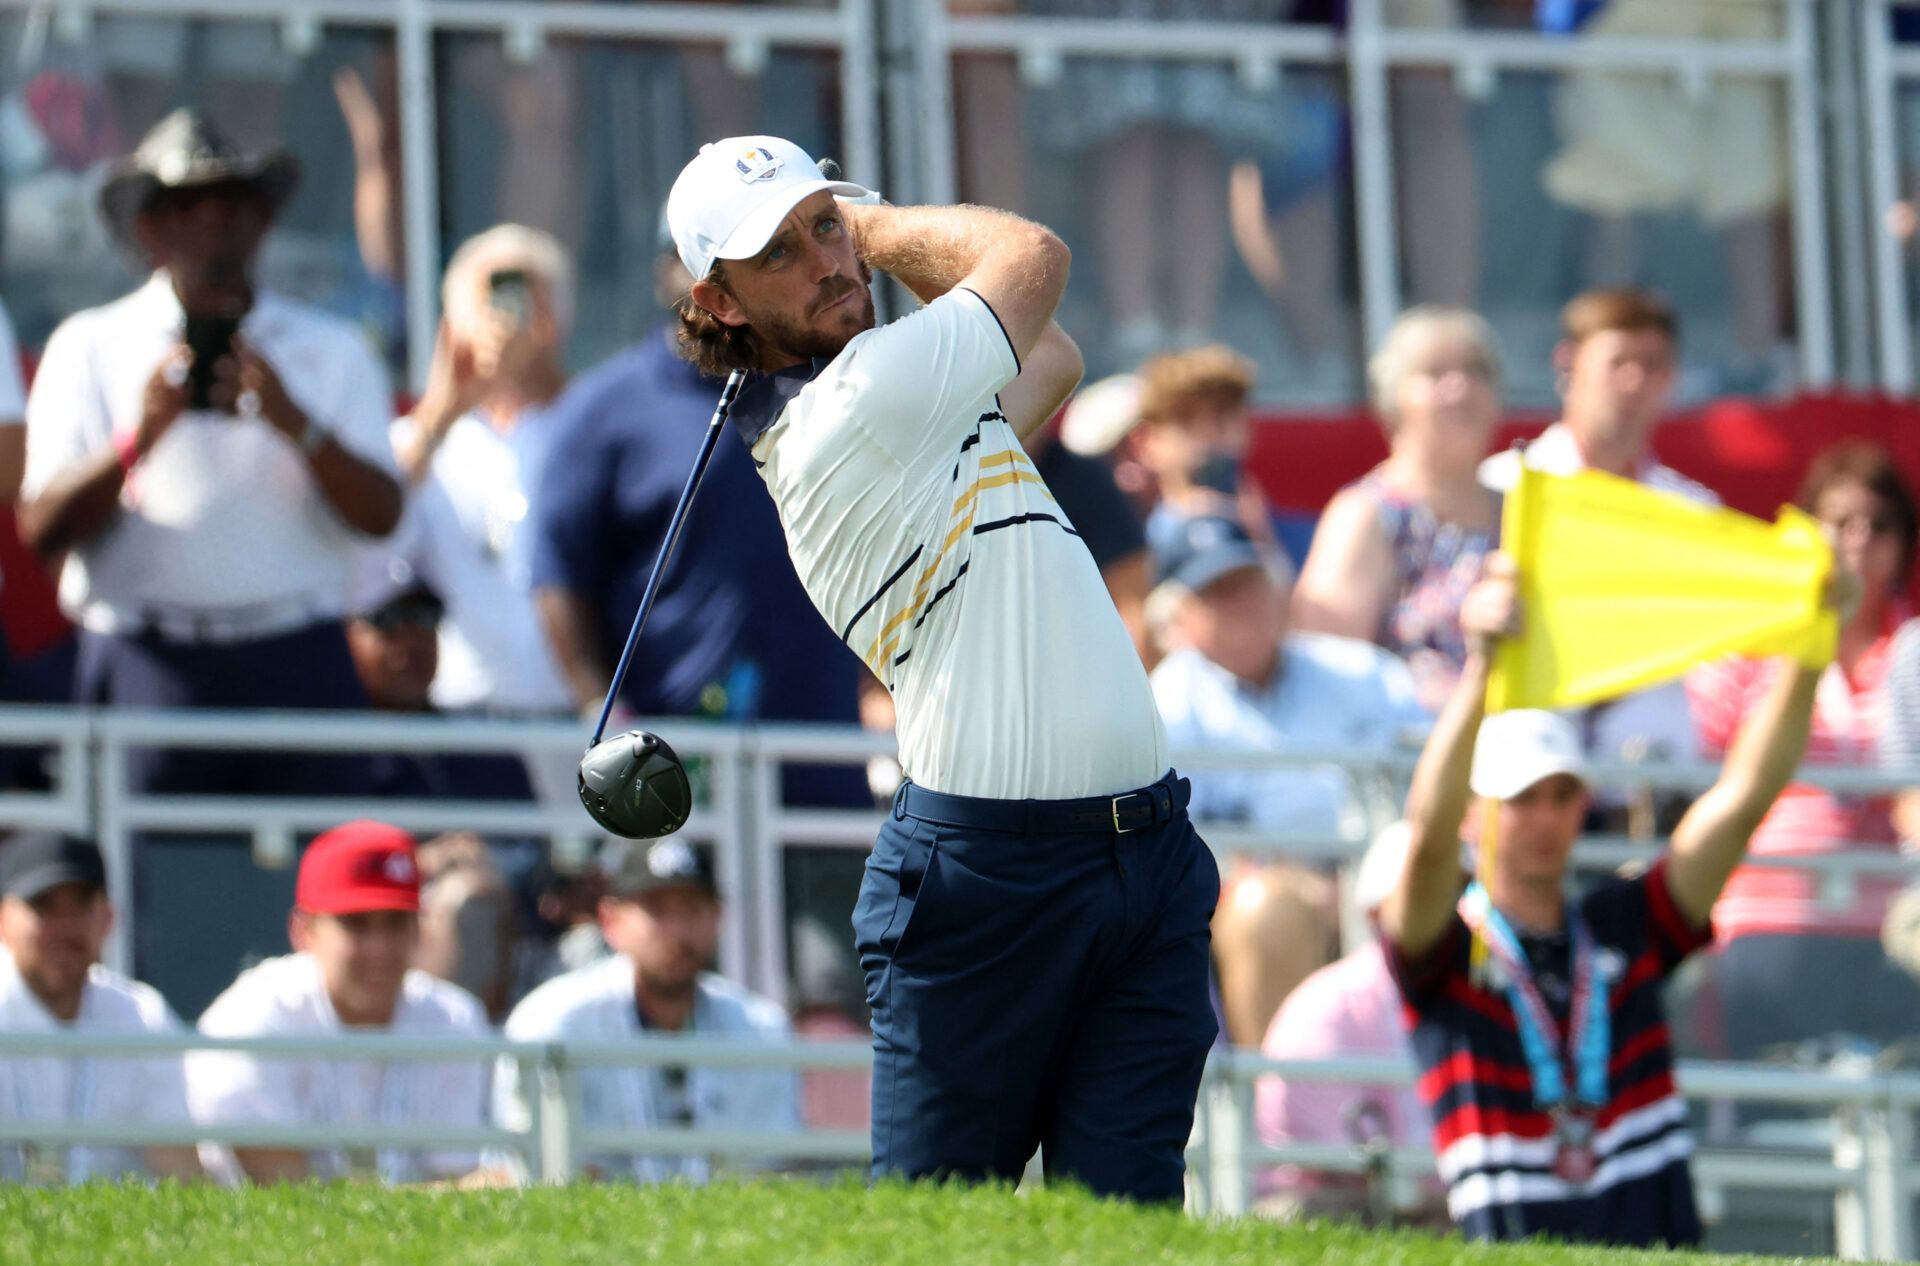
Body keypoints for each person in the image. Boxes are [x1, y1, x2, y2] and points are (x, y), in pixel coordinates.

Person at [666, 135, 1218, 1201]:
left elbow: (1053, 355)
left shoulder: (910, 401)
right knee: (939, 1228)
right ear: (721, 304)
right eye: (780, 252)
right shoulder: (862, 403)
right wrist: (867, 227)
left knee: (1127, 1227)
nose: (826, 262)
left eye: (823, 227)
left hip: (1143, 857)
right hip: (990, 878)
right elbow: (1033, 258)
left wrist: (842, 240)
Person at [1380, 553, 1848, 1246]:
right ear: (1475, 812)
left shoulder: (1624, 923)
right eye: (1521, 798)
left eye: (1563, 794)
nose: (1545, 817)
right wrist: (1482, 669)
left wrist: (1811, 650)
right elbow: (1427, 839)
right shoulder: (1446, 950)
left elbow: (1745, 798)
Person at [16, 109, 401, 797]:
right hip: (146, 663)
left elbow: (380, 516)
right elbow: (43, 529)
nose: (214, 219)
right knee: (147, 864)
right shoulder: (89, 347)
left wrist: (295, 424)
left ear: (263, 218)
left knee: (319, 862)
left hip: (298, 661)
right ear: (148, 227)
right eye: (186, 204)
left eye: (233, 200)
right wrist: (138, 438)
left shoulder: (332, 349)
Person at [529, 231, 865, 800]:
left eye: (752, 259)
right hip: (674, 764)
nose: (723, 281)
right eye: (702, 261)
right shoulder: (604, 408)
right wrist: (603, 711)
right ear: (666, 273)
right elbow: (560, 578)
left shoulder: (835, 386)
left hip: (824, 749)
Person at [1148, 511, 1428, 1047]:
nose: (1240, 603)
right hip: (1256, 901)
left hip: (1383, 878)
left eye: (1248, 582)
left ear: (1278, 588)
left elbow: (1433, 786)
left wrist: (1367, 881)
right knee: (1266, 910)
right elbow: (1172, 861)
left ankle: (1432, 1091)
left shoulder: (1365, 673)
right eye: (1216, 592)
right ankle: (1282, 1097)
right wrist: (1295, 885)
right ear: (1175, 618)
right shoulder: (1164, 704)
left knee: (1438, 892)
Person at [1687, 442, 1920, 1057]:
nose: (1860, 540)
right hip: (1766, 916)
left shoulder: (1914, 654)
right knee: (1767, 1104)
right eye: (1841, 522)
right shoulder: (1752, 643)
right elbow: (1697, 761)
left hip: (1895, 933)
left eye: (1881, 524)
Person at [1478, 288, 1714, 810]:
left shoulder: (1696, 514)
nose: (1634, 381)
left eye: (1652, 365)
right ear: (1568, 364)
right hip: (1521, 791)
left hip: (1652, 796)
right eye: (1618, 362)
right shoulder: (1498, 490)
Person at [187, 821, 495, 1186]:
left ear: (417, 928)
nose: (379, 948)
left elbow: (461, 1181)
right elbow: (285, 1192)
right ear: (303, 931)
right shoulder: (249, 1016)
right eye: (356, 924)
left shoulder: (453, 1018)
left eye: (395, 923)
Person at [495, 839, 799, 1183]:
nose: (677, 931)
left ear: (718, 917)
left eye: (692, 909)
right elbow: (534, 1174)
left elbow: (765, 1174)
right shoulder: (553, 1022)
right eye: (657, 910)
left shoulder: (761, 1028)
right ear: (610, 920)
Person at [391, 224, 572, 716]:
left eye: (521, 301)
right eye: (490, 302)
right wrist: (440, 412)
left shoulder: (595, 422)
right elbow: (371, 539)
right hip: (463, 716)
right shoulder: (422, 437)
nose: (506, 320)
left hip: (581, 713)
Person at [1292, 307, 1503, 713]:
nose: (1460, 387)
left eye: (1475, 370)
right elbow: (1327, 671)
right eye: (1435, 373)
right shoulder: (1367, 514)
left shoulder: (1519, 512)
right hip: (1409, 740)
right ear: (1394, 397)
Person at [1254, 822, 1445, 1227]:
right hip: (1340, 1211)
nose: (1442, 908)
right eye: (1422, 894)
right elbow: (1365, 1175)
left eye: (1457, 890)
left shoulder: (1489, 993)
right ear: (1375, 911)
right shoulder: (1324, 1008)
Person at [0, 833, 200, 1184]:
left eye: (79, 905)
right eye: (44, 906)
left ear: (107, 918)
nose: (64, 927)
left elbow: (182, 1177)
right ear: (4, 920)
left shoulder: (143, 1017)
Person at [344, 565, 537, 805]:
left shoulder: (489, 757)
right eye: (386, 617)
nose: (411, 637)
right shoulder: (325, 756)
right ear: (345, 632)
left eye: (425, 614)